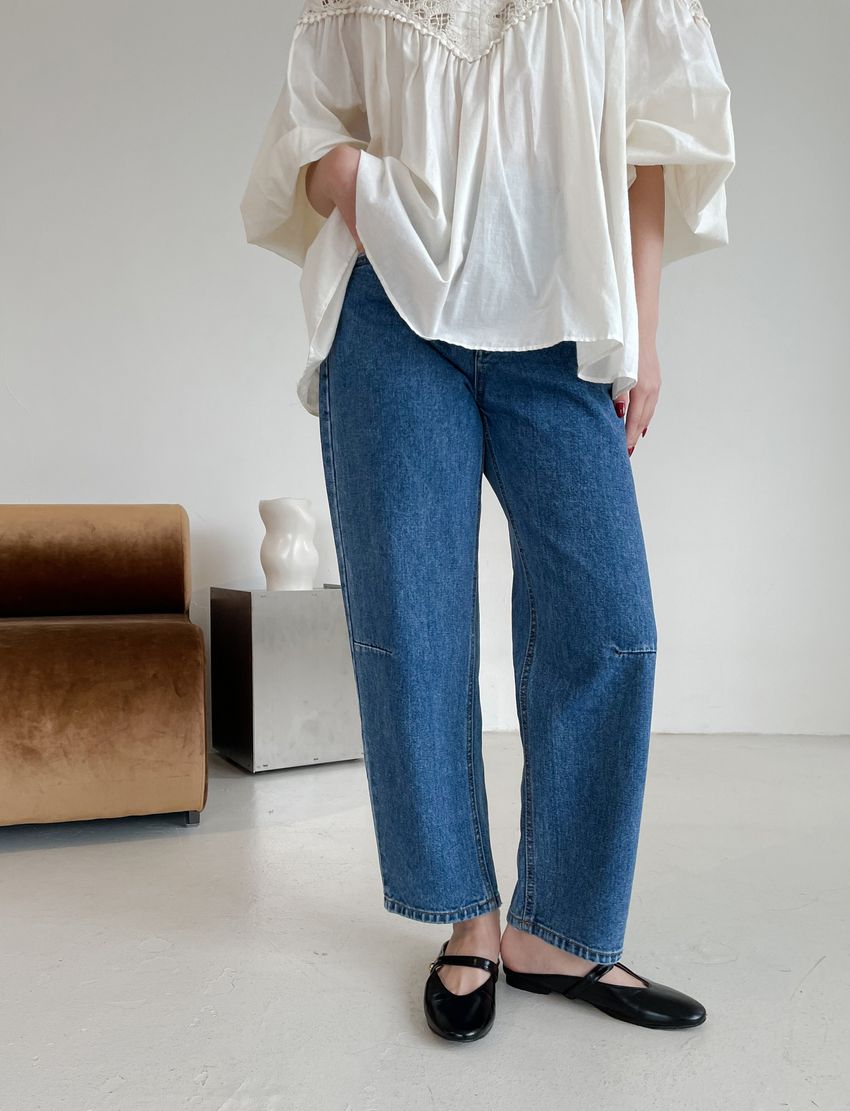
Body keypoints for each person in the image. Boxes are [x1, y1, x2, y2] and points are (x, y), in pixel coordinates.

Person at [240, 0, 734, 1041]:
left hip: (560, 311)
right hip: (392, 315)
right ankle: (466, 915)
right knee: (412, 623)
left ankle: (558, 933)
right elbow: (310, 123)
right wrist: (353, 183)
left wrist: (643, 329)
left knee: (607, 619)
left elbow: (655, 133)